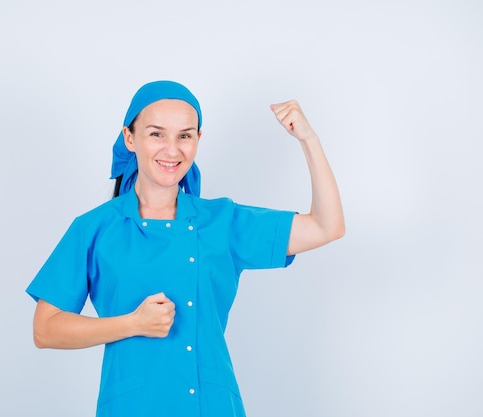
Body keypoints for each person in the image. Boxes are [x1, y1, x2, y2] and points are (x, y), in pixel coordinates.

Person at [26, 80, 345, 417]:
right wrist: (133, 323)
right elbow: (45, 328)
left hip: (213, 406)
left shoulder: (222, 221)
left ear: (197, 140)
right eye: (156, 134)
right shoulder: (95, 228)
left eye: (184, 135)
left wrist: (309, 140)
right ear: (129, 138)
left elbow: (327, 226)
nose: (172, 149)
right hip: (132, 407)